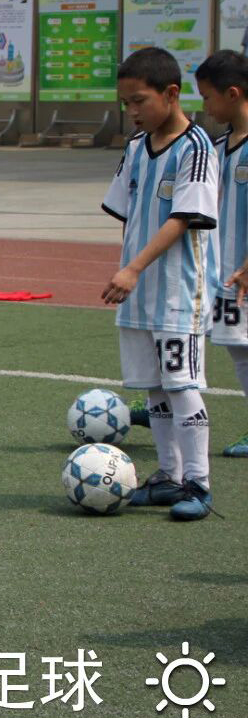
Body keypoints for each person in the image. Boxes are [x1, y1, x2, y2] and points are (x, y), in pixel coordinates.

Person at [101, 48, 217, 523]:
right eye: (126, 103)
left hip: (175, 291)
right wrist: (127, 268)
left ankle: (199, 482)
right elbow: (127, 214)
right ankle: (168, 474)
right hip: (138, 292)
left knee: (182, 382)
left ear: (171, 94)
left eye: (139, 101)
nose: (132, 111)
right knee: (153, 388)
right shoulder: (135, 147)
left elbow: (183, 219)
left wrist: (133, 268)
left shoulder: (196, 148)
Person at [199, 50, 248, 460]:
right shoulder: (217, 146)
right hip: (221, 273)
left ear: (233, 94)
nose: (205, 107)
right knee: (234, 346)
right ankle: (165, 400)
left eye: (208, 97)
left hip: (243, 272)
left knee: (245, 349)